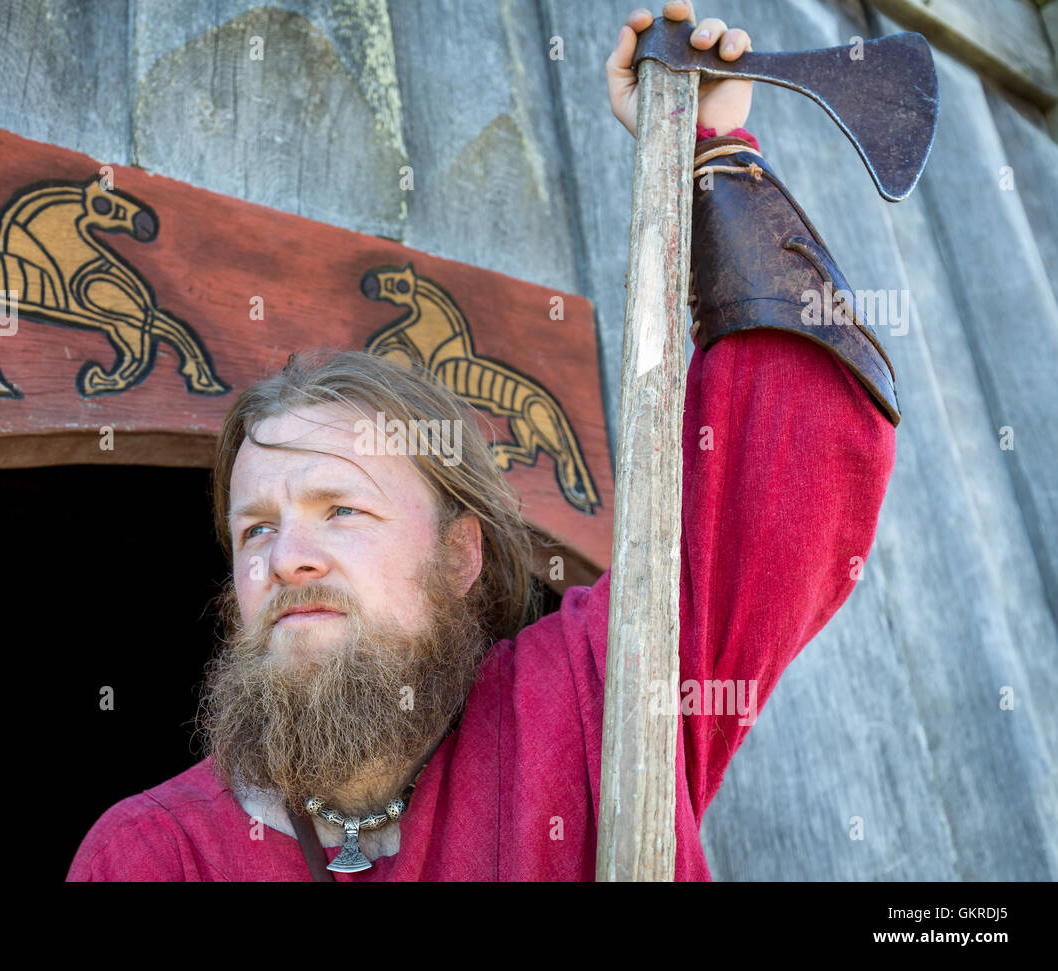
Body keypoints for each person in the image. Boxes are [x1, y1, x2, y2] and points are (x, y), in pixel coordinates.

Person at [66, 0, 899, 881]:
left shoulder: (593, 699)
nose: (288, 558)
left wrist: (710, 155)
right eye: (256, 528)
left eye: (340, 508)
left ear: (460, 554)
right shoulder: (152, 854)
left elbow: (798, 443)